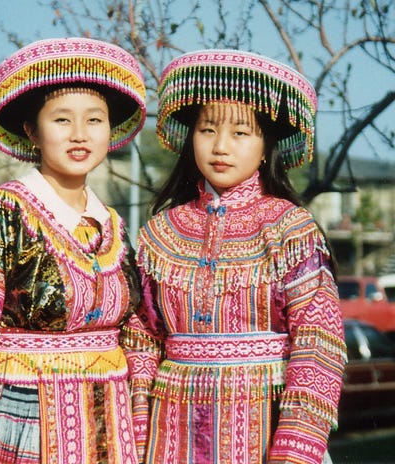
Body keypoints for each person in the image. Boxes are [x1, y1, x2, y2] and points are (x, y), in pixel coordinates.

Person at [0, 37, 152, 464]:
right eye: (62, 120)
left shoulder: (115, 228)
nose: (80, 135)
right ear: (31, 130)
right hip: (16, 426)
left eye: (95, 120)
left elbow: (137, 334)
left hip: (110, 433)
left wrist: (141, 430)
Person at [135, 49, 347, 464]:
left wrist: (294, 450)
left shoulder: (290, 230)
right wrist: (138, 431)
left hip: (264, 431)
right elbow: (142, 338)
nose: (220, 146)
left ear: (266, 146)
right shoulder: (159, 233)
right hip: (170, 435)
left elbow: (318, 345)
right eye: (207, 129)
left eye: (241, 134)